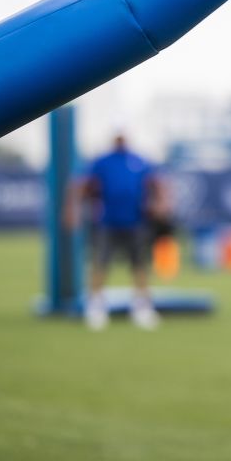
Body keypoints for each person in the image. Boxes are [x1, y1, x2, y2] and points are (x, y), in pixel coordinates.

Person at [67, 133, 166, 330]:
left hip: (136, 220)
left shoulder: (139, 160)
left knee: (140, 265)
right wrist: (73, 209)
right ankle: (96, 306)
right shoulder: (102, 161)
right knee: (100, 263)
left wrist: (160, 204)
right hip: (107, 221)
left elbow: (157, 182)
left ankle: (142, 307)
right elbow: (80, 184)